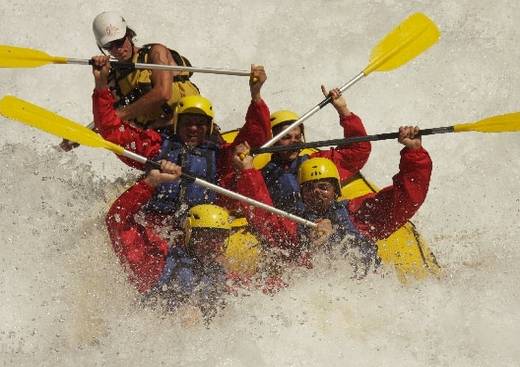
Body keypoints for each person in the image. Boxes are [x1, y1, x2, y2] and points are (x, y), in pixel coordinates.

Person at [91, 56, 270, 223]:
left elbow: (256, 136)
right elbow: (112, 130)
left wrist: (256, 95)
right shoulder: (155, 147)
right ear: (177, 125)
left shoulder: (221, 157)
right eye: (187, 123)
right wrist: (101, 84)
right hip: (162, 228)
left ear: (208, 128)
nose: (193, 128)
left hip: (204, 230)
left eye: (200, 124)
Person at [232, 126, 432, 272]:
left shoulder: (359, 214)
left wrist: (414, 153)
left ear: (336, 190)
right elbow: (262, 215)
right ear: (302, 194)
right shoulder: (292, 226)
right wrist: (248, 172)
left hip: (366, 290)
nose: (317, 192)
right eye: (310, 188)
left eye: (323, 187)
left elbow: (407, 198)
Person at [105, 160, 259, 318]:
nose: (212, 244)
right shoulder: (156, 262)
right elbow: (117, 220)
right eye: (205, 236)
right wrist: (151, 182)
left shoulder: (221, 276)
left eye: (218, 238)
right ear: (189, 234)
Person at [60, 11, 200, 151]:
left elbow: (163, 93)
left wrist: (121, 114)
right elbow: (108, 120)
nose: (117, 49)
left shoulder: (155, 53)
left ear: (129, 35)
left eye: (119, 42)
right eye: (109, 46)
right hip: (159, 139)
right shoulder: (113, 79)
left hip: (194, 128)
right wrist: (81, 136)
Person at [235, 86, 371, 216]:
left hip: (326, 223)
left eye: (297, 136)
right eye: (286, 137)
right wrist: (244, 171)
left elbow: (359, 150)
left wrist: (343, 110)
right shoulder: (264, 175)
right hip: (291, 229)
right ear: (274, 141)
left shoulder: (318, 163)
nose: (294, 141)